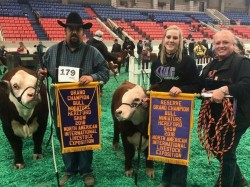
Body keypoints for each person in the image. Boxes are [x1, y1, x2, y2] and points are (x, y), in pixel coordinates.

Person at [37, 12, 109, 187]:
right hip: (61, 105)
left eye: (78, 29)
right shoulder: (53, 51)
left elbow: (105, 72)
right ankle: (69, 168)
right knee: (64, 135)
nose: (74, 32)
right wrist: (41, 72)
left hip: (85, 105)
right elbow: (41, 66)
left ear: (83, 32)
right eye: (71, 29)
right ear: (66, 31)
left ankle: (86, 170)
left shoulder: (93, 52)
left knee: (85, 136)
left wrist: (92, 77)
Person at [150, 25, 200, 187]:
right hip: (161, 109)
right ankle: (166, 179)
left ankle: (178, 182)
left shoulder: (188, 61)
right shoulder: (157, 62)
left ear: (180, 41)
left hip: (181, 110)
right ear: (164, 40)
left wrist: (182, 89)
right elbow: (154, 85)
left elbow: (196, 86)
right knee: (166, 143)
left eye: (175, 38)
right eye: (168, 37)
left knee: (179, 145)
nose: (171, 40)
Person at [199, 30, 250, 187]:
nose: (221, 46)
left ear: (233, 44)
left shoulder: (242, 62)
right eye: (218, 43)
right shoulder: (212, 64)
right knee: (217, 149)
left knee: (226, 153)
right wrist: (201, 90)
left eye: (225, 42)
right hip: (212, 116)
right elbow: (201, 83)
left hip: (236, 117)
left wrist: (224, 90)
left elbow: (246, 85)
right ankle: (239, 179)